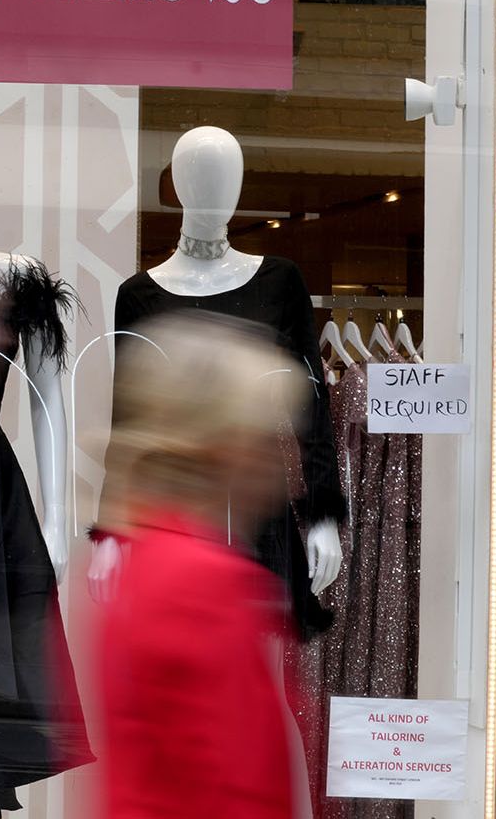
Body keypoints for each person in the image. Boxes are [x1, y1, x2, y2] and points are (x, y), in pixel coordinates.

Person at [94, 311, 309, 819]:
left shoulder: (148, 557)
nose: (290, 473)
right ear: (225, 448)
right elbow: (243, 788)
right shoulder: (203, 580)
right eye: (267, 443)